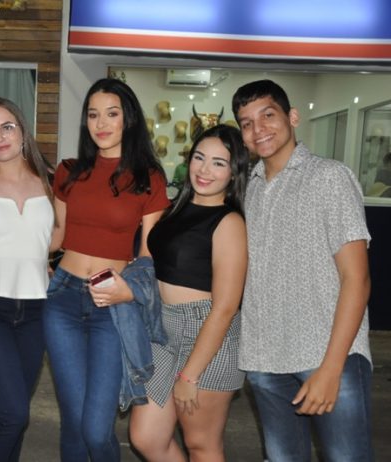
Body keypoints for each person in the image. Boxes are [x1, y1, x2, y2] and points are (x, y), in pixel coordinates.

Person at [232, 79, 373, 461]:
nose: (258, 129)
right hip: (265, 360)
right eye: (247, 123)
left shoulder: (330, 177)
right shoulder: (250, 190)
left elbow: (357, 279)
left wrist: (332, 367)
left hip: (325, 354)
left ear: (292, 117)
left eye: (268, 115)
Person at [44, 77, 171, 462]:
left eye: (111, 114)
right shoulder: (68, 172)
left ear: (128, 119)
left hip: (112, 304)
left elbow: (149, 255)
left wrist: (128, 291)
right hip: (62, 297)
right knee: (73, 422)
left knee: (96, 431)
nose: (101, 123)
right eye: (93, 114)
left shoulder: (149, 177)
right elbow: (55, 237)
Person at [126, 124, 250, 461]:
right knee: (147, 437)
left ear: (234, 172)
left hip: (207, 334)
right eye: (199, 157)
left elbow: (225, 308)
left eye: (219, 163)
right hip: (163, 329)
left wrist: (189, 375)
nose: (205, 170)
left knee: (201, 444)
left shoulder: (229, 223)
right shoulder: (175, 209)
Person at [0, 97, 58, 461]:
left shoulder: (51, 181)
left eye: (6, 127)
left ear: (22, 131)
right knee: (14, 413)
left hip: (37, 308)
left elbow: (62, 236)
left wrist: (51, 262)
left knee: (15, 414)